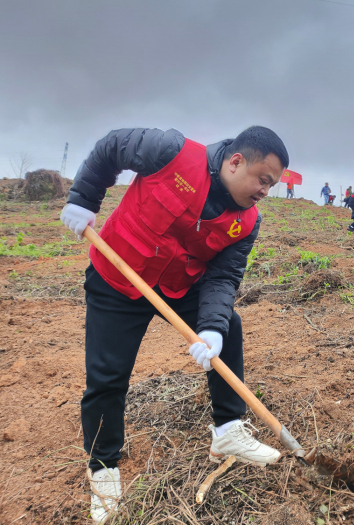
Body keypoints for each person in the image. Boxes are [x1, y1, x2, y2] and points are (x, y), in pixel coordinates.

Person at [59, 126, 289, 523]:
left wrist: (212, 328)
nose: (266, 190)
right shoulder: (173, 153)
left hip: (178, 284)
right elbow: (112, 147)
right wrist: (83, 199)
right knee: (107, 376)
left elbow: (222, 277)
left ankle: (228, 430)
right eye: (263, 180)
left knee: (228, 325)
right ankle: (103, 465)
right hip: (118, 275)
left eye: (272, 185)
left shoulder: (247, 222)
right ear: (236, 162)